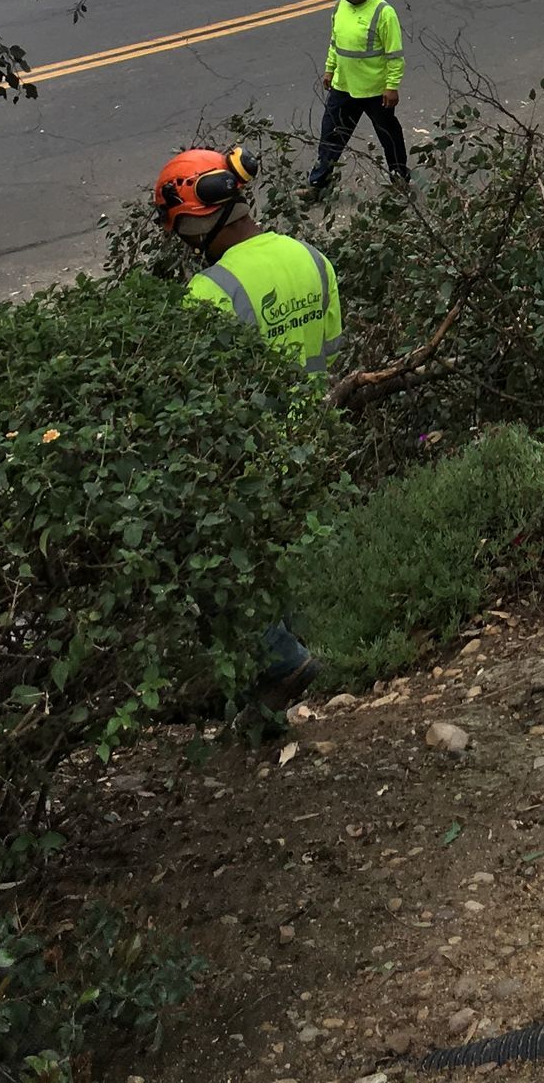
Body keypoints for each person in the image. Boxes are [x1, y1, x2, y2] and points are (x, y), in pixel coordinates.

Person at [154, 142, 342, 697]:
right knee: (300, 560)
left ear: (198, 218)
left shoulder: (209, 291)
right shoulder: (313, 258)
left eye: (182, 229)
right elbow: (331, 353)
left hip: (254, 462)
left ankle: (282, 662)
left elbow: (203, 404)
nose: (185, 244)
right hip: (315, 443)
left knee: (218, 567)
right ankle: (310, 659)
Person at [307, 0, 408, 194]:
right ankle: (318, 184)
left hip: (376, 91)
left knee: (388, 136)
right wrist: (330, 69)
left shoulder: (383, 12)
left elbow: (394, 55)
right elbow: (335, 42)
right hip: (344, 87)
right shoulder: (340, 6)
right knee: (331, 136)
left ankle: (400, 179)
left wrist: (392, 86)